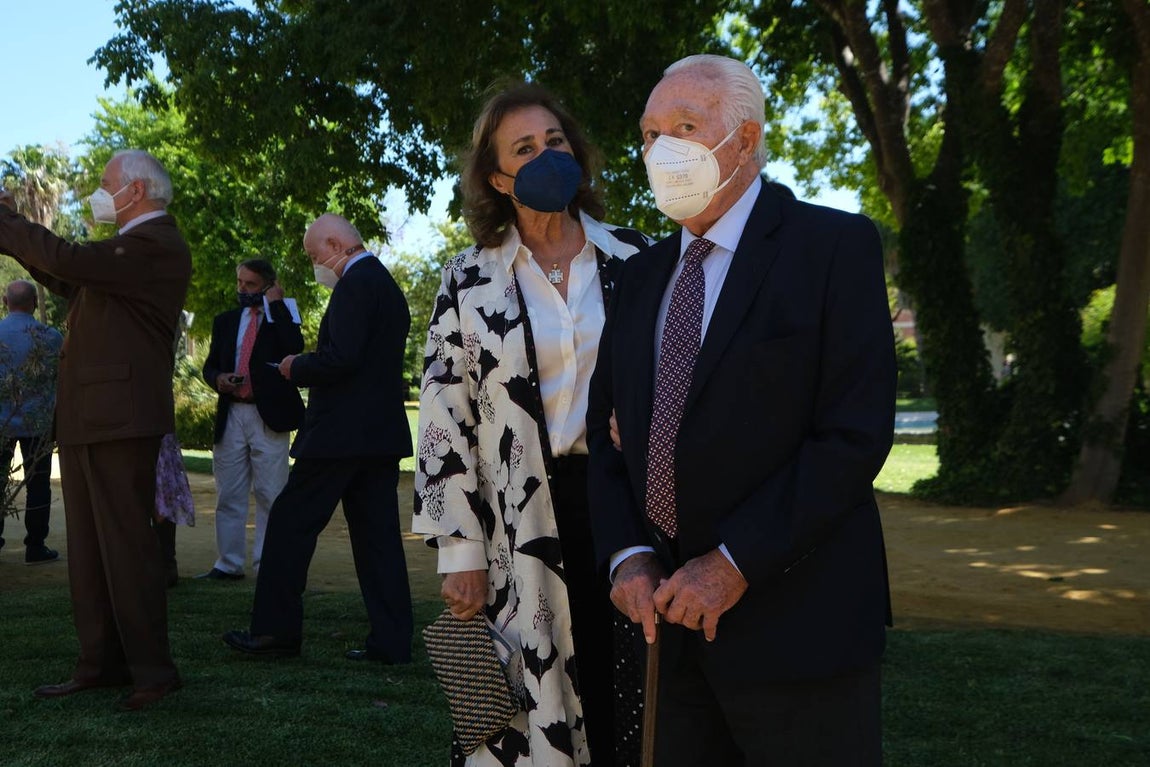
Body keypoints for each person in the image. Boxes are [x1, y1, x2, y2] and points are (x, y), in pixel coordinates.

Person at [586, 54, 896, 766]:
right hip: (671, 631)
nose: (662, 149)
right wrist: (628, 556)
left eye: (685, 127)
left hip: (799, 629)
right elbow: (609, 439)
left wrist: (731, 562)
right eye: (649, 133)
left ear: (746, 139)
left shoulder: (833, 247)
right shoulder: (639, 277)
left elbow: (852, 435)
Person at [411, 82, 651, 767]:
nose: (547, 155)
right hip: (513, 522)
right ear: (496, 176)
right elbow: (442, 413)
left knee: (621, 691)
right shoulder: (467, 280)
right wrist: (459, 552)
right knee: (513, 710)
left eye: (555, 141)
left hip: (625, 511)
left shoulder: (637, 259)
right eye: (524, 148)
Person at [0, 149, 191, 711]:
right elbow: (69, 275)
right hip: (92, 416)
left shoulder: (156, 244)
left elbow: (74, 262)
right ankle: (100, 663)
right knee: (88, 549)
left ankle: (154, 672)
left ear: (137, 191)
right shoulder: (125, 256)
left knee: (128, 548)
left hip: (121, 418)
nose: (99, 195)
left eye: (107, 185)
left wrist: (8, 224)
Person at [222, 213, 414, 665]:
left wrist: (296, 366)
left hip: (339, 434)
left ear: (334, 243)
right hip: (379, 435)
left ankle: (274, 631)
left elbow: (340, 359)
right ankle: (391, 641)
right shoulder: (384, 283)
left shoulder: (354, 284)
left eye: (313, 256)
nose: (314, 265)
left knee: (289, 525)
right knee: (378, 541)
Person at [199, 259, 304, 580]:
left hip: (268, 415)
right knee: (229, 492)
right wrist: (218, 379)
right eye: (240, 283)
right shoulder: (226, 321)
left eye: (250, 284)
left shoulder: (282, 315)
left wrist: (277, 307)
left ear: (268, 285)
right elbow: (209, 366)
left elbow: (295, 348)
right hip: (231, 413)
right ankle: (228, 563)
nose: (242, 289)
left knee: (271, 493)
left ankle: (267, 565)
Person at [0, 279, 63, 564]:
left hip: (1, 421)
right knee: (38, 486)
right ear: (35, 303)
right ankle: (35, 545)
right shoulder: (50, 337)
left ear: (5, 302)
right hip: (37, 422)